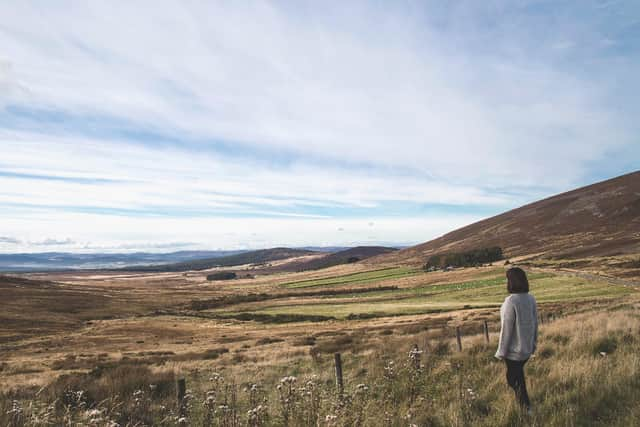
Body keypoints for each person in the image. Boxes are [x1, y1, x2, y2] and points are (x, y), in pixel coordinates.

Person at [495, 267, 538, 413]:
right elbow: (535, 323)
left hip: (514, 352)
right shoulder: (531, 298)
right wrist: (533, 344)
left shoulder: (511, 301)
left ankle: (526, 409)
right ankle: (525, 408)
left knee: (513, 380)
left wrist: (501, 352)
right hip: (526, 350)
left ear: (511, 281)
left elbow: (506, 328)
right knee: (517, 378)